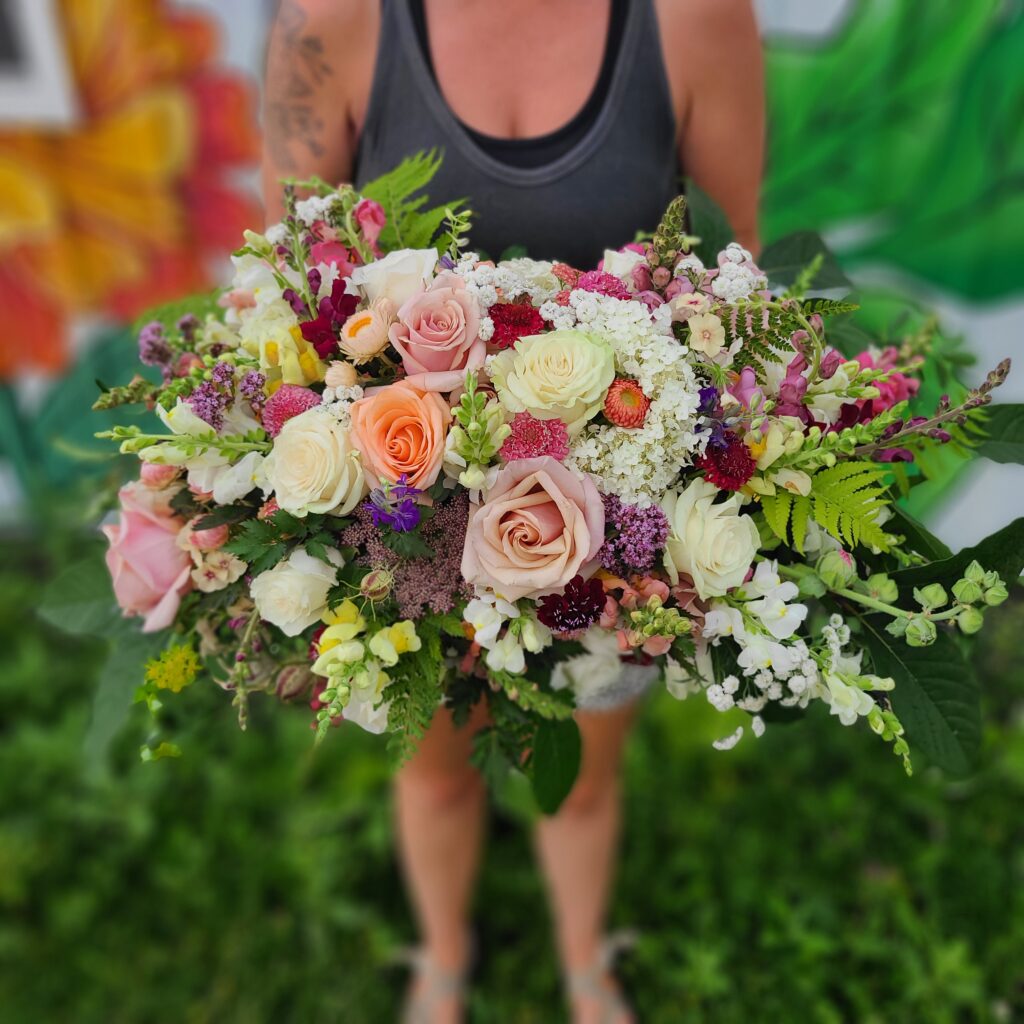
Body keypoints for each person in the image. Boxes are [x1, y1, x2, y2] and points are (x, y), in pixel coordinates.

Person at [262, 1, 763, 1020]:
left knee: (580, 779)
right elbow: (288, 295)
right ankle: (443, 963)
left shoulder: (694, 18)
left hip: (612, 541)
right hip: (404, 526)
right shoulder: (330, 20)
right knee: (434, 774)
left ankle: (584, 966)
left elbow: (731, 278)